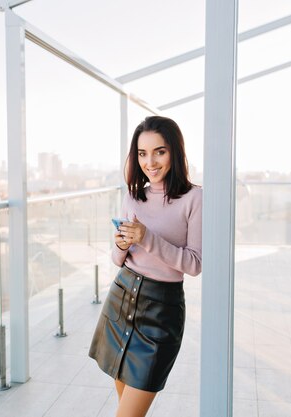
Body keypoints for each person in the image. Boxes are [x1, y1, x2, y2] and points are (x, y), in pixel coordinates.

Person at [89, 115, 202, 417]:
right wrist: (123, 244)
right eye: (142, 153)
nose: (149, 162)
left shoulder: (194, 198)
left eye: (159, 152)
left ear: (174, 152)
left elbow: (194, 264)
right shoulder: (132, 196)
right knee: (126, 408)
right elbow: (116, 259)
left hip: (161, 313)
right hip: (122, 299)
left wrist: (147, 238)